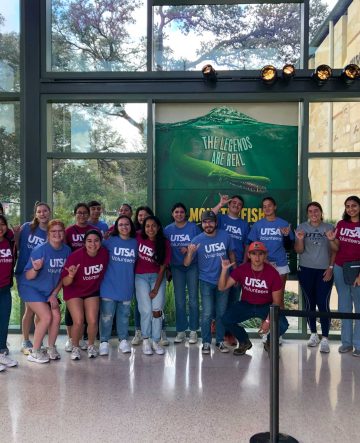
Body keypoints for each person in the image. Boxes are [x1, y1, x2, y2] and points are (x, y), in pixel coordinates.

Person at [220, 241, 289, 355]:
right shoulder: (242, 269)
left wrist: (267, 321)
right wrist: (224, 270)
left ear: (265, 255)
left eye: (260, 254)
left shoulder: (273, 273)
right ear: (249, 255)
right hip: (246, 304)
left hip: (266, 305)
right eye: (253, 254)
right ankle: (244, 341)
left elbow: (276, 301)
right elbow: (222, 287)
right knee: (226, 319)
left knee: (283, 325)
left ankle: (270, 341)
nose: (257, 257)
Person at [184, 210, 236, 354]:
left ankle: (219, 341)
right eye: (205, 222)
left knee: (221, 312)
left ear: (216, 223)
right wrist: (190, 252)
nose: (208, 224)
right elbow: (187, 264)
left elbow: (231, 254)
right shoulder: (197, 240)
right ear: (202, 224)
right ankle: (206, 342)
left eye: (211, 221)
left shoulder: (225, 236)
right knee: (207, 313)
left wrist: (235, 273)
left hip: (224, 280)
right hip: (206, 281)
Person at [19, 220, 71, 363]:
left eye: (60, 231)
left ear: (63, 233)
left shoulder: (67, 250)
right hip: (30, 288)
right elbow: (28, 276)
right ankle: (34, 352)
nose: (57, 234)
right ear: (48, 234)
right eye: (53, 231)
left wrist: (54, 294)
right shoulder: (40, 250)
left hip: (48, 291)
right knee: (47, 316)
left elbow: (63, 276)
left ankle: (50, 348)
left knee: (56, 314)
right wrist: (36, 268)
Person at [62, 230, 109, 360]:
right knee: (78, 321)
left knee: (93, 320)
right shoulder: (75, 256)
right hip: (74, 291)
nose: (93, 244)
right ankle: (75, 347)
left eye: (96, 240)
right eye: (89, 241)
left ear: (100, 242)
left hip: (91, 291)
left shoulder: (104, 254)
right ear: (84, 243)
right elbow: (65, 282)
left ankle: (91, 346)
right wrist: (71, 275)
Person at [295, 202, 335, 353]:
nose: (313, 213)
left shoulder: (329, 228)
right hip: (306, 270)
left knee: (323, 303)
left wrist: (331, 268)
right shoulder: (302, 227)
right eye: (310, 211)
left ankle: (325, 338)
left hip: (324, 271)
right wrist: (299, 239)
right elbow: (298, 250)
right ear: (307, 214)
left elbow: (334, 251)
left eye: (316, 210)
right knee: (309, 302)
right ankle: (313, 334)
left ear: (321, 212)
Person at [212, 193, 250, 345]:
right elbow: (208, 216)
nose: (236, 205)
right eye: (233, 202)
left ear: (241, 208)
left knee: (233, 300)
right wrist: (220, 204)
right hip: (220, 264)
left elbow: (247, 245)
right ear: (229, 205)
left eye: (239, 204)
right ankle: (216, 324)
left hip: (238, 265)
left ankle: (230, 333)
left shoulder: (244, 224)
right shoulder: (220, 219)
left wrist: (243, 264)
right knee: (220, 298)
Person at [14, 201, 51, 355]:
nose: (42, 214)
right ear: (35, 214)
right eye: (39, 211)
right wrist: (16, 235)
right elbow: (16, 245)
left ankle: (37, 338)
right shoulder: (27, 227)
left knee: (34, 309)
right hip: (24, 272)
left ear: (49, 212)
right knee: (30, 310)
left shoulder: (50, 231)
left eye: (45, 211)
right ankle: (25, 340)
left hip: (40, 274)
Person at [99, 215, 138, 355]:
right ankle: (104, 341)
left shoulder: (135, 243)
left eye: (126, 224)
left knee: (124, 316)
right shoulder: (109, 241)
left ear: (131, 226)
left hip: (126, 286)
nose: (124, 227)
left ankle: (123, 340)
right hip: (108, 286)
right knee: (106, 316)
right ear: (116, 227)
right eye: (120, 224)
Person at [64, 202, 98, 352]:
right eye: (79, 212)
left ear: (88, 214)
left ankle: (84, 339)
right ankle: (70, 339)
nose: (82, 215)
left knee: (88, 314)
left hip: (89, 272)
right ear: (75, 214)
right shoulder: (69, 231)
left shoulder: (94, 230)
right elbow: (64, 249)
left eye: (85, 212)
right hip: (72, 272)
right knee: (72, 312)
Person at [164, 202, 201, 344]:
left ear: (185, 214)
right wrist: (167, 268)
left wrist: (189, 249)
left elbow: (199, 245)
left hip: (192, 266)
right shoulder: (167, 230)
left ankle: (193, 331)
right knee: (179, 300)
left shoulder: (193, 228)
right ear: (172, 214)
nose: (179, 214)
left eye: (181, 212)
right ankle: (180, 331)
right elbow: (165, 249)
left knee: (193, 299)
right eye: (176, 212)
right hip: (176, 267)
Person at [135, 215, 171, 355]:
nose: (150, 229)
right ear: (144, 228)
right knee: (145, 309)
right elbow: (122, 230)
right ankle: (146, 340)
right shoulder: (138, 237)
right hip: (140, 277)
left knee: (156, 310)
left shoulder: (164, 243)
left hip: (157, 277)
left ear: (158, 227)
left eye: (153, 226)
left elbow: (162, 268)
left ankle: (155, 341)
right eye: (147, 226)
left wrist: (156, 288)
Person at [329, 195, 360, 356]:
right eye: (347, 206)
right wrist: (332, 240)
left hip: (357, 269)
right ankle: (346, 343)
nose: (351, 209)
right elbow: (336, 248)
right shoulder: (341, 224)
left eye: (354, 205)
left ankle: (359, 345)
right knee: (344, 306)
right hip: (340, 268)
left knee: (359, 307)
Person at [248, 196, 294, 306]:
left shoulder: (283, 223)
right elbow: (253, 248)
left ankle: (280, 323)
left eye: (269, 205)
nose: (267, 208)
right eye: (264, 206)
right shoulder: (258, 225)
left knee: (279, 298)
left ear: (275, 207)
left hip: (280, 264)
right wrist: (265, 261)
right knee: (264, 297)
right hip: (262, 264)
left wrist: (286, 235)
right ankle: (266, 323)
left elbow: (289, 246)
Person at [0, 215, 18, 371]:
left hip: (5, 289)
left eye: (2, 224)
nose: (0, 228)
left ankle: (1, 353)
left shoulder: (9, 242)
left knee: (3, 322)